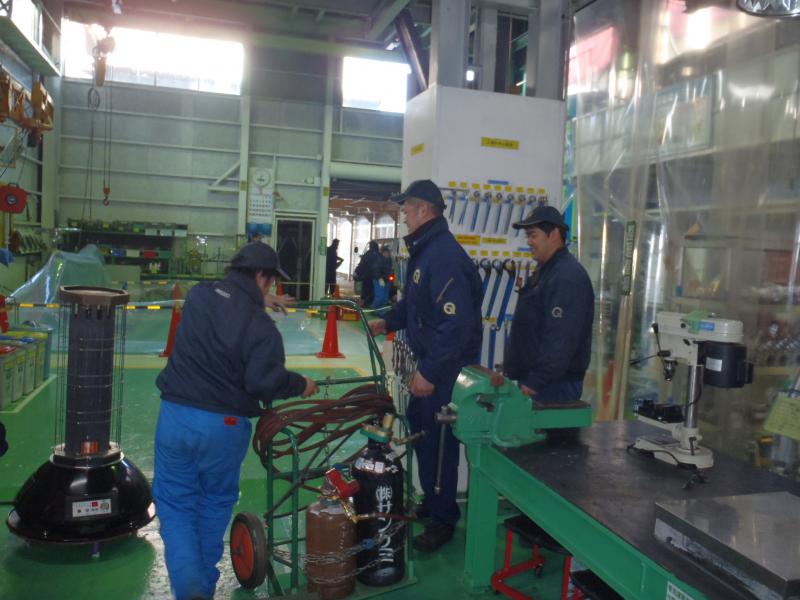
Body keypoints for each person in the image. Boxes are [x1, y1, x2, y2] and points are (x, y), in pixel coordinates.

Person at [153, 241, 318, 600]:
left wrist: (257, 299)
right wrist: (301, 384)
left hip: (176, 416)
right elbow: (263, 382)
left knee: (176, 505)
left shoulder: (199, 296)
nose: (271, 288)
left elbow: (228, 304)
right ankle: (201, 586)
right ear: (260, 276)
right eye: (270, 281)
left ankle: (190, 587)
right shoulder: (261, 327)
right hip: (223, 427)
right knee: (213, 502)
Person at [368, 179, 482, 552]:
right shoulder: (426, 251)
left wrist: (429, 372)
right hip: (430, 364)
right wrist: (388, 320)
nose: (403, 215)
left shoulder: (443, 256)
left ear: (424, 210)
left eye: (407, 209)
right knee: (422, 433)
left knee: (438, 443)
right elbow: (414, 305)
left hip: (445, 371)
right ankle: (433, 502)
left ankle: (444, 518)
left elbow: (456, 324)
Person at [503, 205, 594, 409]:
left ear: (553, 234)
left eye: (533, 235)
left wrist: (536, 380)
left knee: (550, 431)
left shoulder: (566, 277)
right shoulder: (547, 271)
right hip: (540, 382)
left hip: (553, 386)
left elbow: (561, 338)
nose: (529, 242)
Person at [354, 241, 381, 307]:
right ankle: (373, 304)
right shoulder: (379, 255)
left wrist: (357, 272)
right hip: (377, 278)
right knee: (375, 292)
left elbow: (362, 265)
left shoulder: (367, 255)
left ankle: (365, 304)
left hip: (367, 277)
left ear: (370, 246)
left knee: (366, 291)